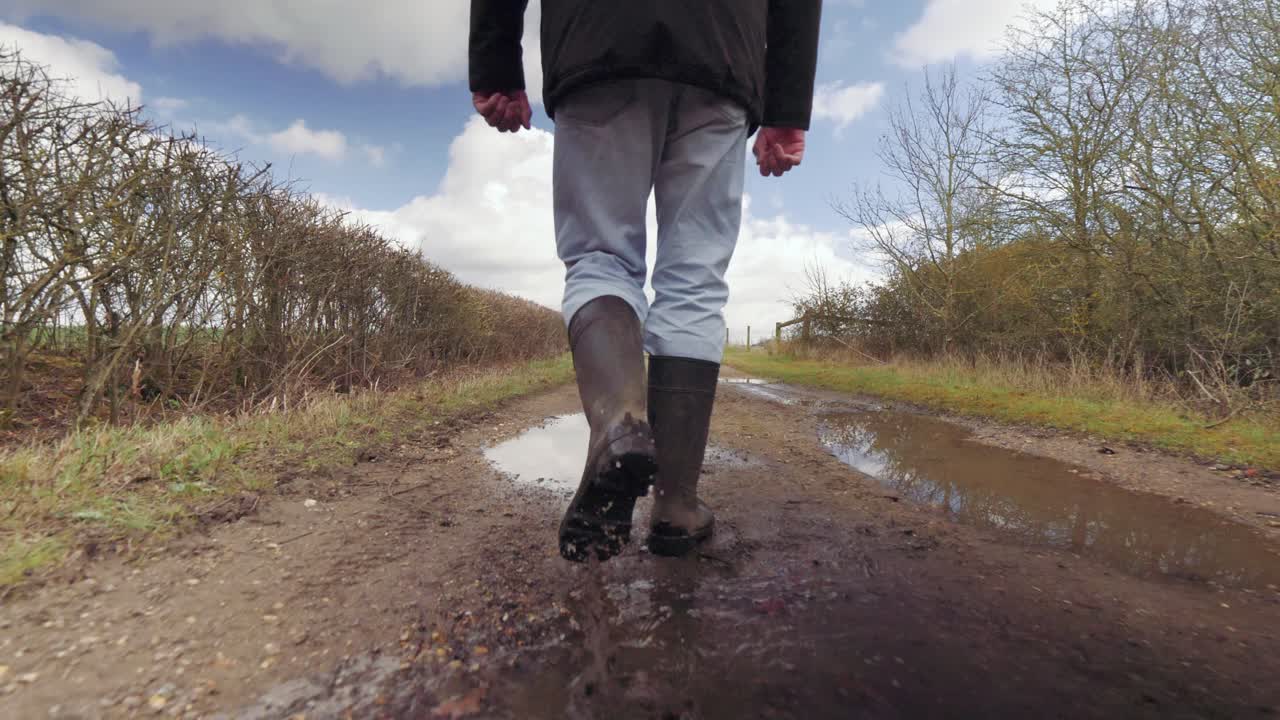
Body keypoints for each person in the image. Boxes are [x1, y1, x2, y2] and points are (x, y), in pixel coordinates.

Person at [470, 1, 822, 562]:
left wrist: (494, 64)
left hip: (598, 35)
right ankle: (677, 506)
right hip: (722, 47)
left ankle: (618, 426)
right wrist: (787, 107)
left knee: (599, 256)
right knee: (695, 278)